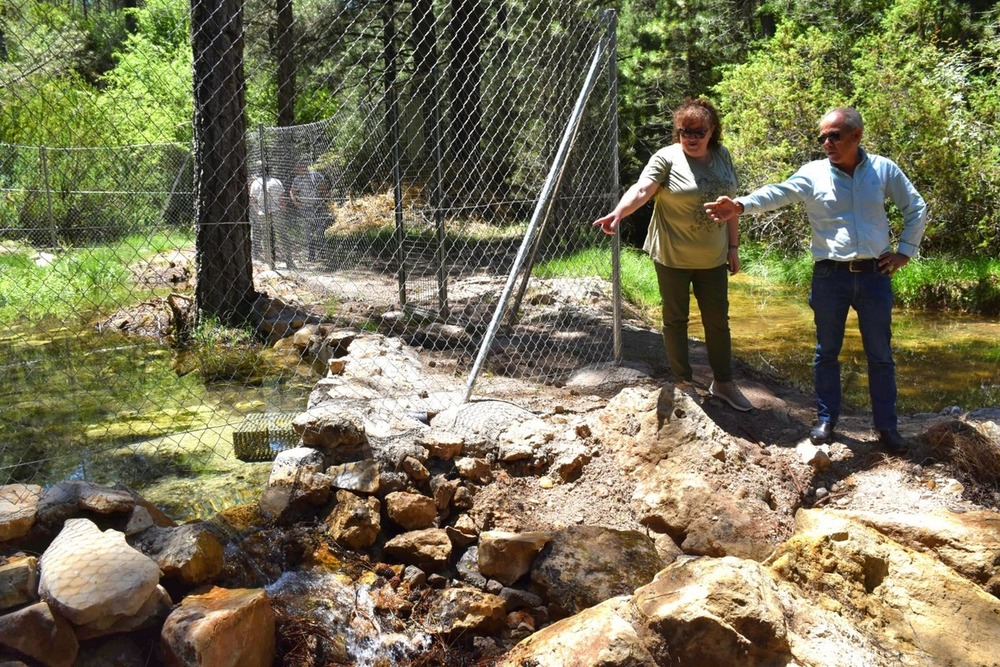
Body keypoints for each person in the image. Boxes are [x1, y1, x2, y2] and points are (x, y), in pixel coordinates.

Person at [704, 107, 927, 451]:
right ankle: (826, 420)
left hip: (875, 275)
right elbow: (778, 193)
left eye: (834, 135)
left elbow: (915, 206)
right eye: (822, 136)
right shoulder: (813, 174)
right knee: (826, 353)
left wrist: (905, 251)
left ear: (856, 136)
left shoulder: (883, 169)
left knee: (880, 355)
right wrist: (740, 205)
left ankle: (887, 428)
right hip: (829, 276)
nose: (826, 142)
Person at [593, 97, 753, 411]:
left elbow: (730, 207)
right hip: (672, 256)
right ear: (677, 132)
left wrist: (733, 247)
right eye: (684, 131)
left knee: (718, 321)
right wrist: (618, 213)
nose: (691, 138)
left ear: (712, 131)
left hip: (713, 258)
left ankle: (723, 383)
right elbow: (642, 190)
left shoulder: (722, 156)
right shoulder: (666, 158)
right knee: (675, 320)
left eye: (698, 131)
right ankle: (683, 383)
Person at [249, 167, 295, 269]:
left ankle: (270, 262)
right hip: (276, 211)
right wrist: (283, 210)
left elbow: (253, 199)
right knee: (283, 235)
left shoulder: (255, 183)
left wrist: (257, 210)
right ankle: (289, 260)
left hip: (263, 213)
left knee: (266, 236)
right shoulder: (276, 181)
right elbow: (282, 198)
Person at [290, 163, 330, 261]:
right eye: (297, 169)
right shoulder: (297, 179)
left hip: (317, 207)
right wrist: (295, 201)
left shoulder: (316, 175)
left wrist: (323, 203)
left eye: (299, 168)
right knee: (308, 232)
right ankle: (311, 255)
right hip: (305, 208)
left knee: (320, 231)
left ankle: (322, 254)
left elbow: (324, 189)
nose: (298, 170)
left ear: (303, 167)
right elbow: (292, 191)